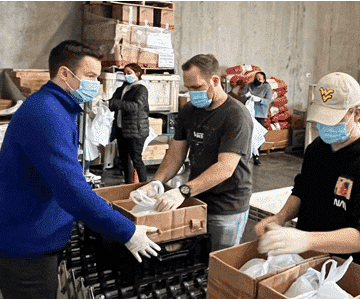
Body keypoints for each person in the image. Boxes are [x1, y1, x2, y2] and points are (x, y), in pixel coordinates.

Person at [0, 40, 160, 299]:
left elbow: (61, 178)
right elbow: (72, 194)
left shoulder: (55, 107)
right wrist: (128, 231)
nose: (96, 85)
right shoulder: (47, 114)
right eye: (90, 76)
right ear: (65, 74)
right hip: (23, 245)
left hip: (22, 229)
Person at [255, 72, 360, 277]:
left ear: (356, 113)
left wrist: (307, 240)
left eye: (334, 119)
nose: (326, 127)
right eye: (322, 119)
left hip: (355, 273)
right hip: (314, 264)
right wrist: (281, 216)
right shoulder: (316, 150)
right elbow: (302, 189)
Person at [134, 54, 254, 252]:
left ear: (215, 81)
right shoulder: (189, 110)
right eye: (188, 88)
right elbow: (175, 154)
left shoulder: (235, 115)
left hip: (227, 205)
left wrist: (183, 191)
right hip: (197, 199)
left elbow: (225, 168)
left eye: (197, 88)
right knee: (195, 258)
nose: (192, 94)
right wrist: (157, 182)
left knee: (217, 262)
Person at [109, 63, 150, 183]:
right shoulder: (124, 88)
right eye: (125, 73)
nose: (126, 76)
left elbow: (136, 106)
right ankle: (127, 184)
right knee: (124, 159)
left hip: (136, 131)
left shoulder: (141, 89)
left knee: (136, 159)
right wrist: (110, 103)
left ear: (137, 73)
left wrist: (116, 103)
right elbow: (112, 101)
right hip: (122, 129)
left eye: (129, 73)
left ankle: (144, 184)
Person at [240, 71, 273, 166]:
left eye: (259, 78)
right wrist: (246, 96)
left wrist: (260, 100)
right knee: (247, 134)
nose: (257, 80)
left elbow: (269, 100)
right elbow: (241, 98)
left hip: (260, 114)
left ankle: (256, 156)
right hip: (249, 114)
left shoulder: (267, 87)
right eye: (256, 77)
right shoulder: (249, 86)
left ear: (264, 80)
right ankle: (245, 155)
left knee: (257, 134)